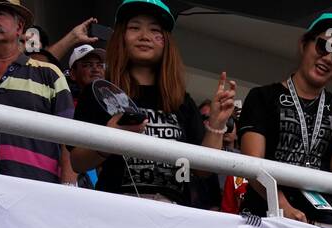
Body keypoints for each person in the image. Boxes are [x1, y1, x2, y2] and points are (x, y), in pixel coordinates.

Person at [71, 0, 236, 205]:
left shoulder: (182, 101)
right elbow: (77, 161)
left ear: (165, 42)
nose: (144, 36)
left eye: (154, 30)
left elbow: (203, 170)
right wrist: (110, 139)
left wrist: (217, 123)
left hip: (174, 216)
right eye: (134, 27)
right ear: (121, 36)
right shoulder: (101, 92)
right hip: (116, 209)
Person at [237, 13, 332, 223]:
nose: (329, 58)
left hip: (320, 221)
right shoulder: (262, 97)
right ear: (304, 44)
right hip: (266, 214)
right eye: (323, 46)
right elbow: (252, 164)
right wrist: (283, 207)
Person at [0, 1, 75, 184]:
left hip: (38, 189)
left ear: (19, 27)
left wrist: (69, 188)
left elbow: (70, 138)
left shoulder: (48, 73)